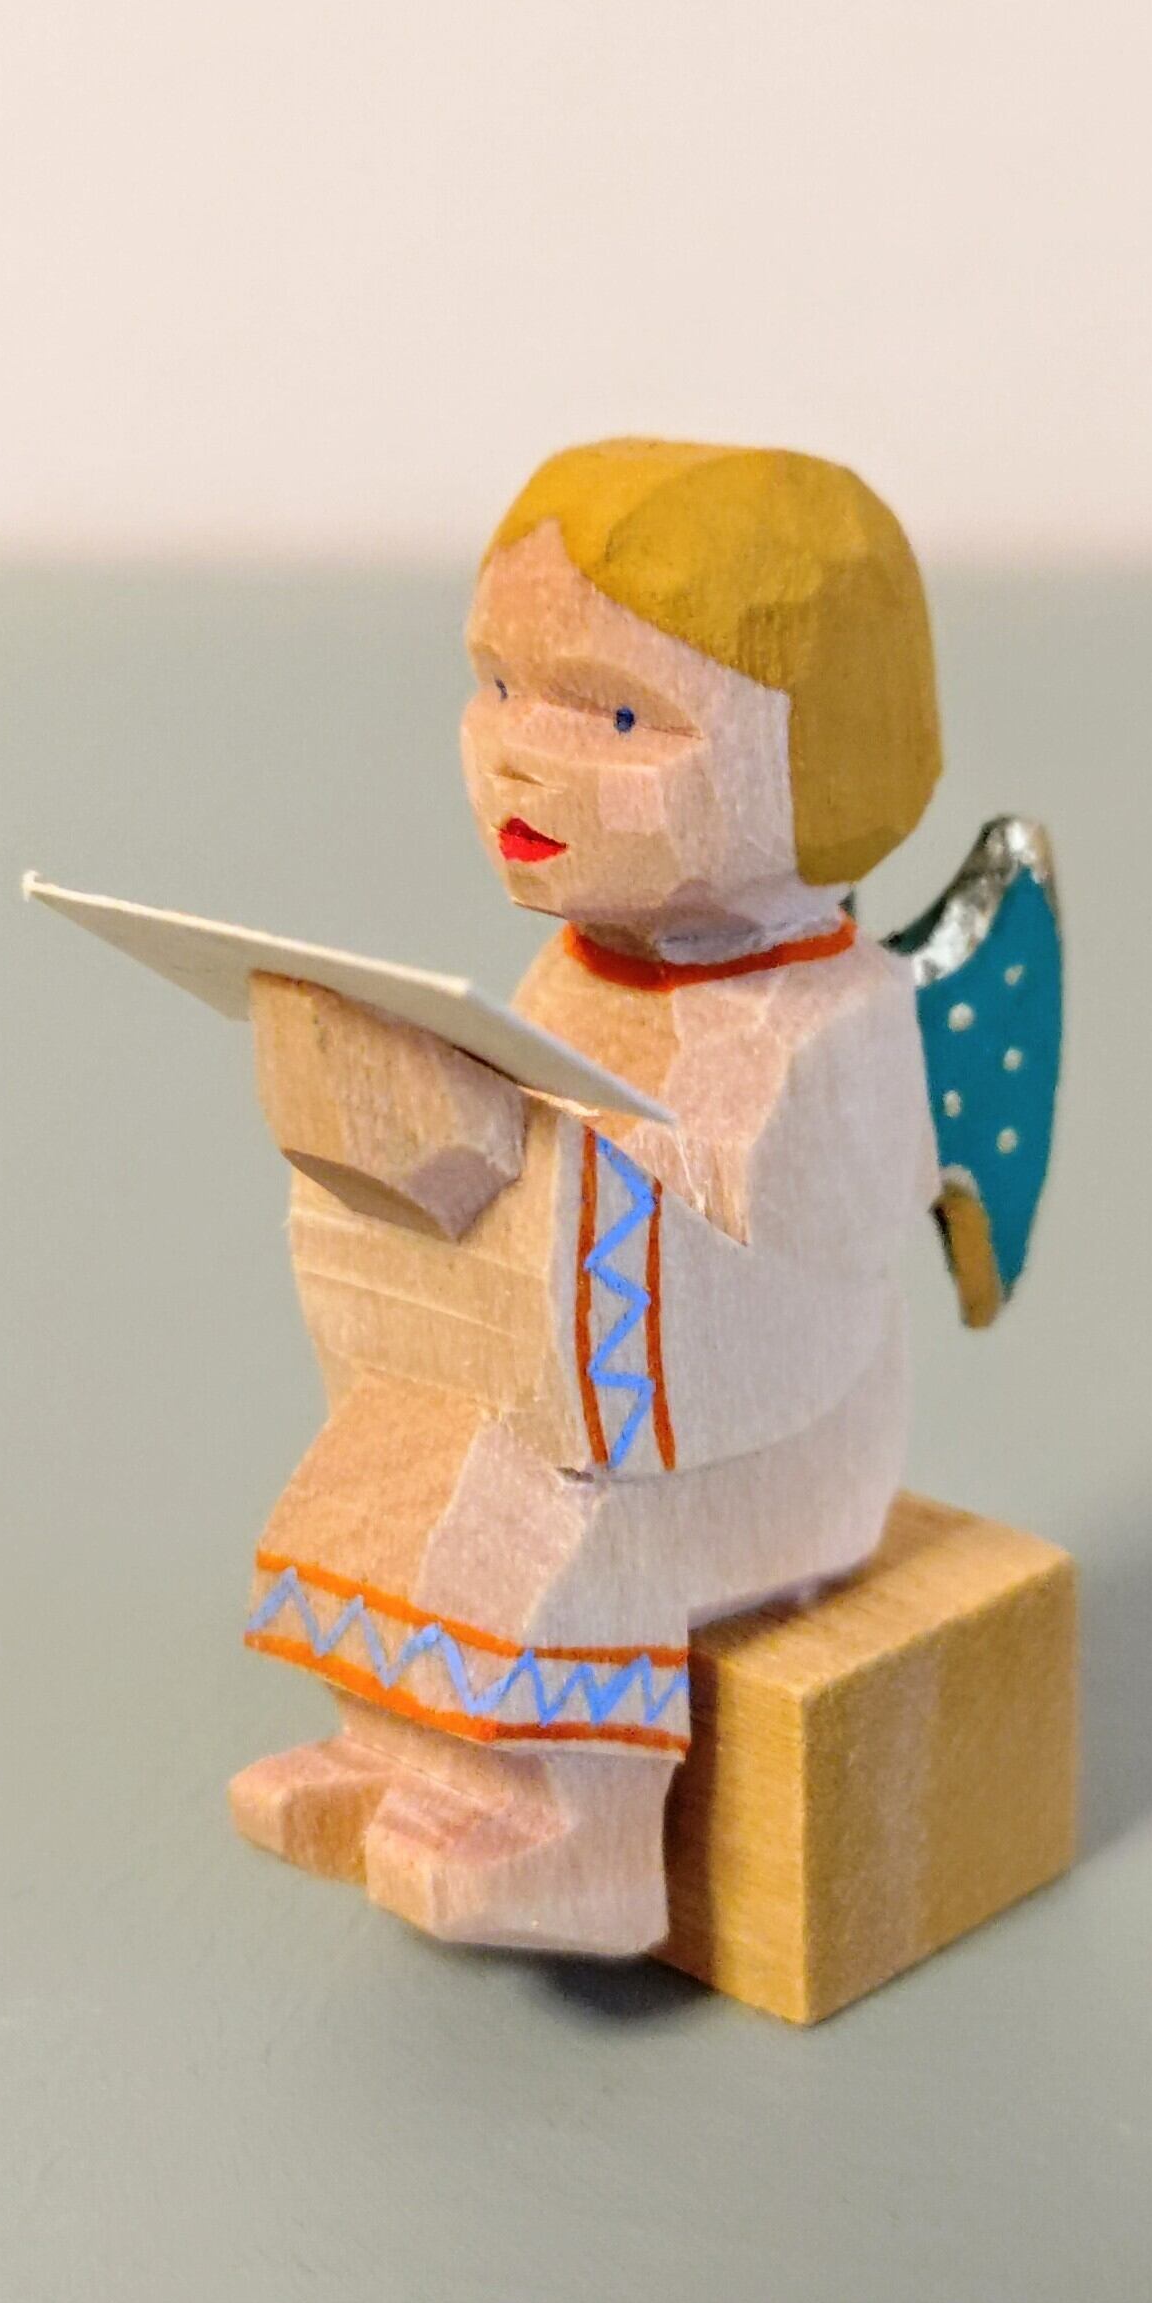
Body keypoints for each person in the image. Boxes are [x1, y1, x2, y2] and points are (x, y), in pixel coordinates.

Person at [229, 439, 945, 1954]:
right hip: (571, 1384)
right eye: (496, 684)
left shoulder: (833, 1019)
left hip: (777, 1441)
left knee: (549, 1516)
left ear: (819, 756)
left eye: (617, 715)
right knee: (399, 1446)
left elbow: (780, 1295)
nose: (518, 754)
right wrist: (376, 1143)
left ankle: (588, 1839)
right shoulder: (575, 969)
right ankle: (399, 1753)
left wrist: (526, 1182)